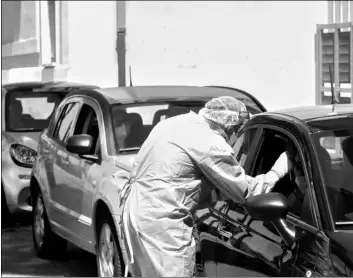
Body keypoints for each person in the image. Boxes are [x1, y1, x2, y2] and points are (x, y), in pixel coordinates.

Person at [119, 96, 294, 277]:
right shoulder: (209, 142)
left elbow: (181, 180)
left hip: (136, 211)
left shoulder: (175, 123)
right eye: (234, 130)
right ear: (229, 126)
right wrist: (276, 173)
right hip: (162, 223)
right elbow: (245, 191)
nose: (232, 137)